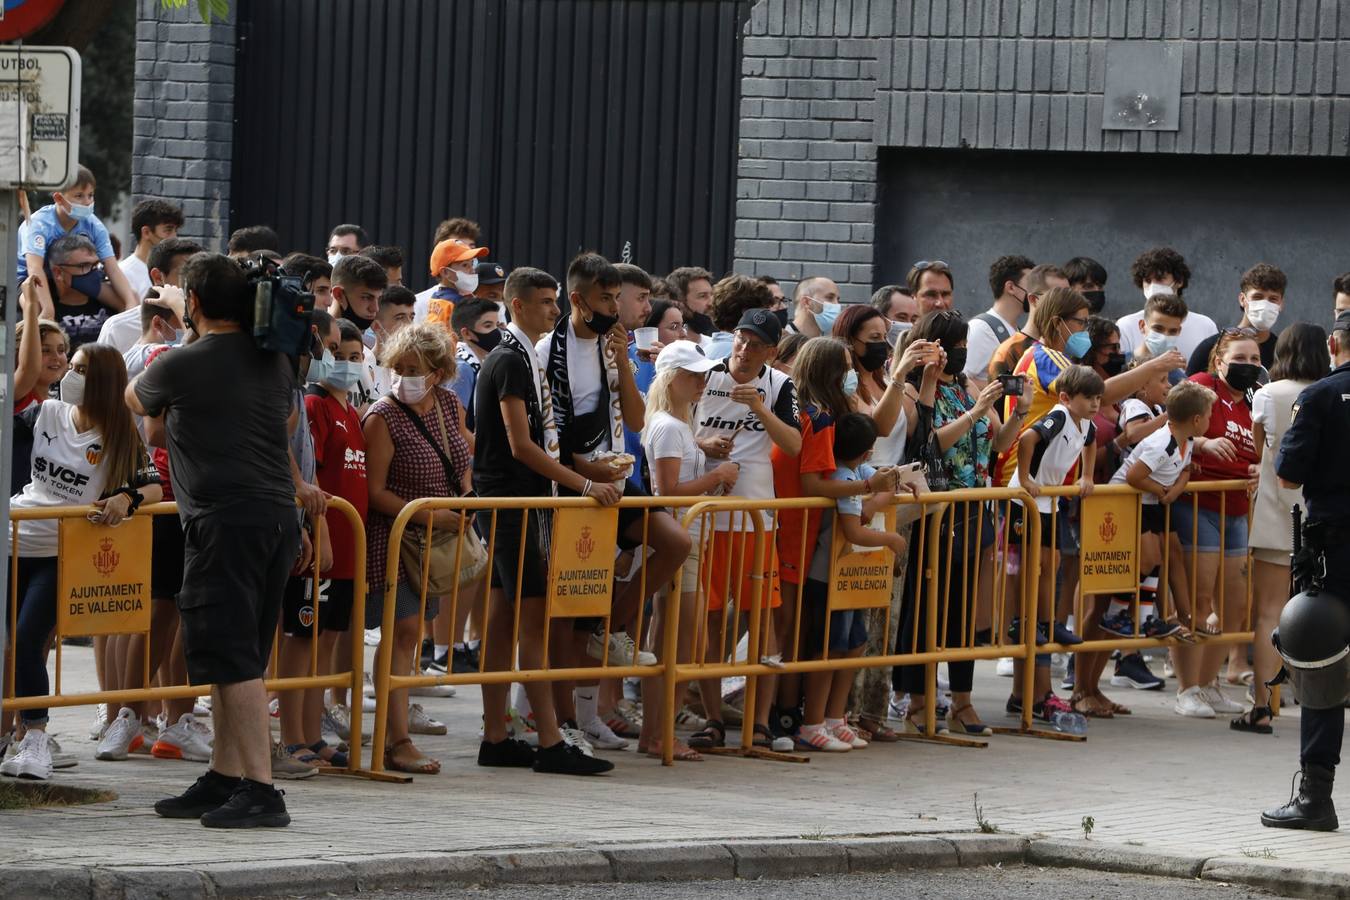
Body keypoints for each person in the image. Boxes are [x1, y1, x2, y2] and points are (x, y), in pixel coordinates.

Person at [127, 252, 301, 827]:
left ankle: (261, 788)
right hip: (274, 515)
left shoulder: (184, 361)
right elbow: (284, 425)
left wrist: (176, 327)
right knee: (240, 657)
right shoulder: (274, 358)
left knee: (232, 656)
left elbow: (134, 403)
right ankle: (227, 776)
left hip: (224, 521)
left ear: (194, 302)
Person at [536, 253, 689, 750]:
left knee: (673, 542)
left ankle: (613, 624)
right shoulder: (546, 350)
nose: (611, 308)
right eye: (604, 299)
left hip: (618, 477)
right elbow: (547, 430)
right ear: (578, 299)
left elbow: (640, 419)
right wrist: (584, 473)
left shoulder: (610, 346)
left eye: (613, 298)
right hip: (571, 482)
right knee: (570, 605)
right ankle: (567, 720)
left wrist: (622, 360)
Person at [472, 266, 616, 776]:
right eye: (545, 302)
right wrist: (583, 485)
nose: (554, 311)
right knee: (529, 621)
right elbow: (520, 445)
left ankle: (496, 734)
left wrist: (587, 472)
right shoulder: (510, 359)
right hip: (513, 504)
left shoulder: (523, 358)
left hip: (520, 502)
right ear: (517, 305)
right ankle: (551, 739)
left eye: (556, 301)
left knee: (502, 623)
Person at [2, 342, 163, 781]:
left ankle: (36, 736)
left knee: (30, 635)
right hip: (15, 542)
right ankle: (11, 735)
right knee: (9, 644)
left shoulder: (120, 434)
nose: (69, 375)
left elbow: (154, 490)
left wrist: (125, 499)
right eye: (69, 366)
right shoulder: (45, 413)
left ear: (104, 381)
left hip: (63, 552)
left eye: (80, 369)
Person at [363, 323, 476, 774]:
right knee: (403, 632)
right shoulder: (382, 416)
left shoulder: (450, 403)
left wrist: (464, 495)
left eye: (415, 369)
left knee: (412, 635)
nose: (404, 376)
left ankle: (397, 727)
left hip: (436, 541)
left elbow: (463, 459)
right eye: (398, 368)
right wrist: (428, 513)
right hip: (393, 540)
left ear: (438, 372)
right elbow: (373, 492)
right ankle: (397, 739)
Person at [695, 307, 801, 750]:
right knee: (712, 622)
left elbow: (793, 444)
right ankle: (713, 718)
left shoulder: (780, 385)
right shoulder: (706, 375)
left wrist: (760, 406)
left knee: (760, 621)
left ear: (771, 351)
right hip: (705, 514)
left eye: (755, 344)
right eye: (740, 339)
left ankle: (759, 721)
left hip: (757, 517)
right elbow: (674, 425)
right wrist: (704, 443)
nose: (744, 349)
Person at [1260, 310, 1350, 831]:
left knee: (1320, 663)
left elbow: (1289, 477)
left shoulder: (1318, 397)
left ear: (1335, 346)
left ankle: (1317, 796)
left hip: (1336, 554)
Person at [638, 340, 738, 761]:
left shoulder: (676, 424)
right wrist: (718, 477)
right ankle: (659, 732)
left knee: (675, 639)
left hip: (687, 536)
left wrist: (707, 455)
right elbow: (670, 490)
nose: (702, 382)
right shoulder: (669, 426)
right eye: (694, 375)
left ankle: (658, 730)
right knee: (677, 642)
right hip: (682, 537)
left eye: (703, 374)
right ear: (671, 378)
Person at [799, 409, 909, 752]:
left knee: (854, 644)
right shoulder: (843, 479)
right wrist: (891, 540)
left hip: (849, 579)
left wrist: (882, 492)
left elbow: (883, 485)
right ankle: (812, 722)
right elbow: (852, 530)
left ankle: (835, 717)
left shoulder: (858, 471)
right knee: (829, 649)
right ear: (866, 451)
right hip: (827, 576)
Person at [1238, 325, 1329, 736]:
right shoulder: (1331, 392)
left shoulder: (1268, 394)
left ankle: (1263, 705)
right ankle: (1327, 697)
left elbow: (1261, 454)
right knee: (1330, 607)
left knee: (1268, 613)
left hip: (1277, 513)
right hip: (1324, 512)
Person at [1169, 330, 1262, 719]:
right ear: (1219, 361)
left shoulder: (1254, 400)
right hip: (1199, 504)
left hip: (1237, 508)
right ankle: (1187, 689)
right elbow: (1172, 423)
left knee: (1234, 605)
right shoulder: (1202, 386)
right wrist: (1202, 444)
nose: (1250, 365)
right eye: (1241, 357)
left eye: (1256, 359)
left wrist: (1259, 468)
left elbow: (1260, 448)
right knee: (1197, 601)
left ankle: (1209, 684)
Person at [1008, 365, 1103, 713]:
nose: (1094, 404)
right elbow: (1027, 440)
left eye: (1097, 398)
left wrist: (1087, 476)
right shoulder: (1059, 417)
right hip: (1027, 498)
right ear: (1066, 398)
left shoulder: (1086, 423)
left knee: (1055, 563)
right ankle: (1027, 619)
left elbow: (1092, 443)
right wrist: (1024, 478)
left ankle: (1048, 623)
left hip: (1051, 499)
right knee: (1034, 564)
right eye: (1088, 398)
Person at [1109, 380, 1217, 681]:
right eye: (1208, 415)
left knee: (1156, 559)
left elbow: (1184, 471)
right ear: (1196, 419)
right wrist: (1161, 490)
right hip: (1127, 500)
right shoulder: (1161, 442)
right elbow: (1133, 475)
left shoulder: (1187, 441)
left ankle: (1144, 620)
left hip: (1152, 500)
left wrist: (1170, 492)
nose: (1210, 421)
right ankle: (1116, 613)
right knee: (1146, 559)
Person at [18, 165, 138, 318]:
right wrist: (48, 309)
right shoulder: (39, 224)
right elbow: (34, 268)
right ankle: (28, 339)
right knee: (33, 304)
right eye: (79, 196)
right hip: (31, 278)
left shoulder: (94, 225)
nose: (87, 202)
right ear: (59, 198)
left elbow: (112, 268)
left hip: (73, 275)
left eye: (90, 195)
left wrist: (130, 302)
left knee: (131, 298)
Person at [100, 237, 204, 353]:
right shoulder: (118, 328)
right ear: (158, 277)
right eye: (186, 274)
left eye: (201, 274)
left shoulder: (213, 323)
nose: (196, 282)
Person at [1116, 247, 1217, 359]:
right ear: (1142, 326)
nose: (1153, 286)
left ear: (1179, 281)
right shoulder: (1125, 325)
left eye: (1160, 279)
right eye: (1148, 281)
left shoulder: (1205, 325)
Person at [1187, 263, 1286, 376]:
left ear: (1281, 304)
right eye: (1257, 297)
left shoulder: (1284, 355)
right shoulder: (1211, 347)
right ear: (1242, 299)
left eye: (1273, 299)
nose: (1265, 304)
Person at [985, 263, 1073, 384]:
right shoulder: (1009, 352)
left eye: (1070, 296)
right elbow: (1002, 401)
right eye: (1058, 296)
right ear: (1033, 299)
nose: (1068, 304)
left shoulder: (1068, 345)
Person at [40, 235, 125, 355]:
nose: (94, 272)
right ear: (58, 272)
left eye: (96, 265)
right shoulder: (45, 309)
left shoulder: (112, 302)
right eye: (83, 266)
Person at [965, 255, 1035, 390]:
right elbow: (961, 381)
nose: (1035, 291)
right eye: (1031, 285)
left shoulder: (1017, 331)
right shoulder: (980, 329)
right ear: (1011, 287)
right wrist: (1011, 387)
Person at [449, 298, 501, 431]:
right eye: (488, 326)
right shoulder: (463, 369)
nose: (496, 332)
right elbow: (456, 428)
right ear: (466, 333)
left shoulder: (481, 363)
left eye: (498, 325)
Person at [119, 199, 184, 302]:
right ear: (146, 232)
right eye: (168, 230)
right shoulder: (123, 274)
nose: (174, 237)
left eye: (175, 231)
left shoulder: (175, 270)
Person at [423, 238, 490, 329]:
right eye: (465, 265)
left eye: (472, 263)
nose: (472, 270)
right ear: (446, 272)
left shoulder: (436, 297)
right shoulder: (459, 303)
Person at [706, 274, 773, 360]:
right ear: (746, 313)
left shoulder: (705, 351)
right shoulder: (745, 357)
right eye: (764, 312)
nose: (767, 318)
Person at [666, 266, 716, 342]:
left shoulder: (712, 346)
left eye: (711, 295)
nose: (711, 303)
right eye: (702, 296)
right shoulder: (663, 350)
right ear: (678, 301)